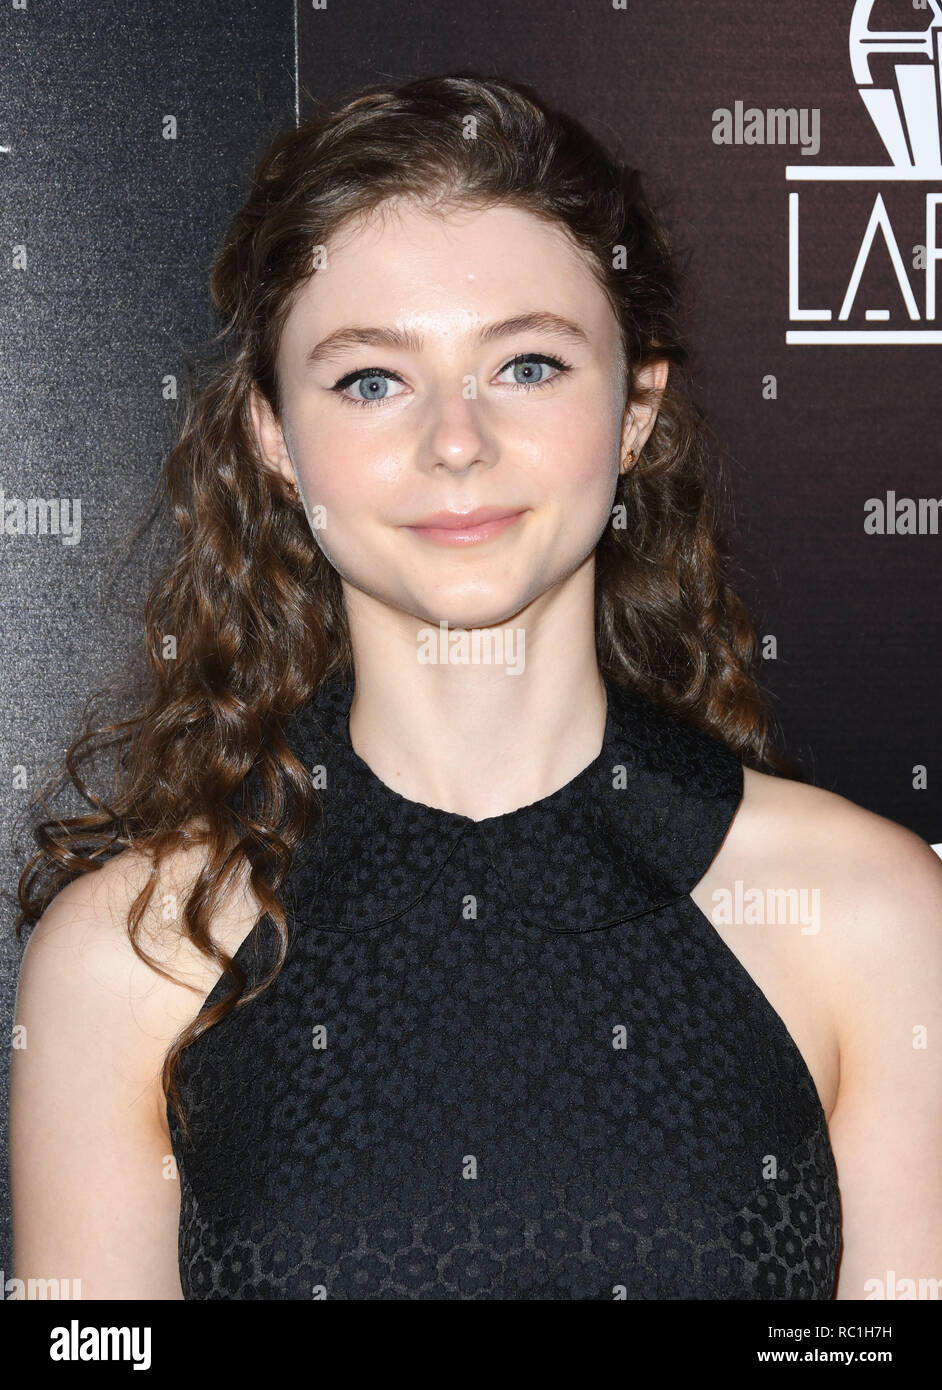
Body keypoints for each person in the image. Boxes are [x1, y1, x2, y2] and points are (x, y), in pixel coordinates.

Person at [10, 73, 942, 1301]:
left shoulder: (873, 915)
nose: (457, 441)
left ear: (636, 410)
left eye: (530, 366)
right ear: (274, 437)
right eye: (372, 381)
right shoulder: (133, 958)